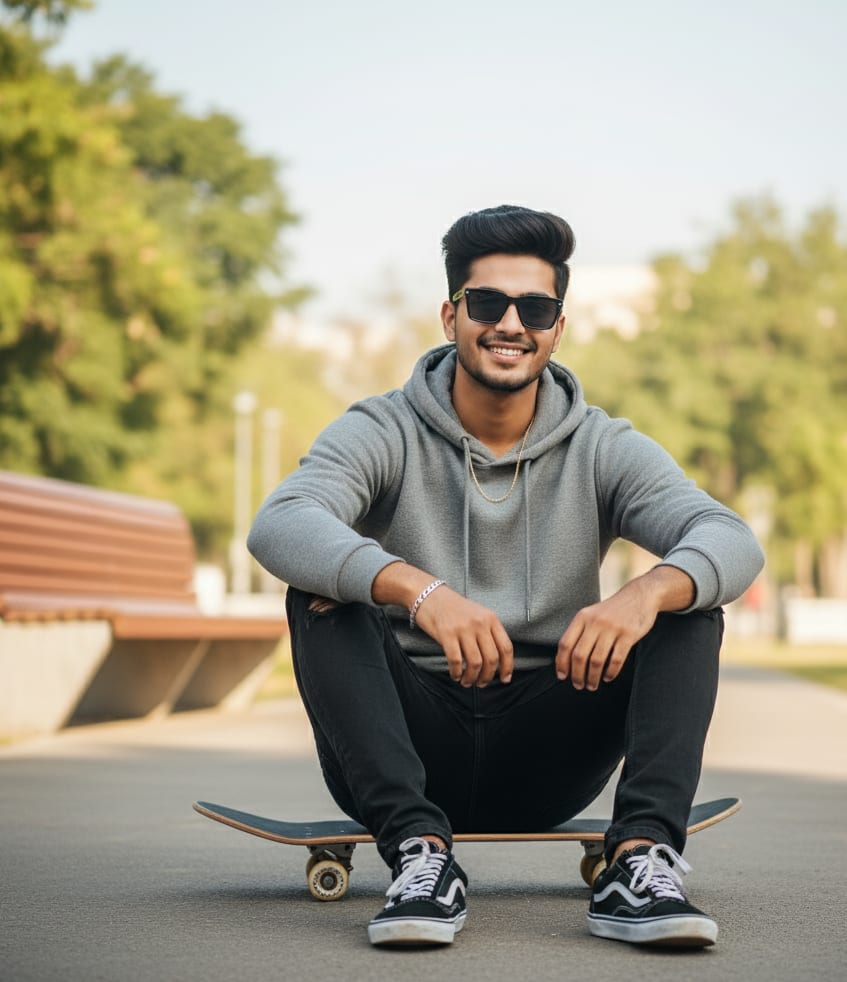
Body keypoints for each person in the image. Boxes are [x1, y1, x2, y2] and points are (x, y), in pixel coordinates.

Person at [247, 204, 764, 949]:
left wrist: (645, 591)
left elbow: (728, 537)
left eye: (535, 307)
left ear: (558, 327)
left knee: (688, 600)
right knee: (324, 594)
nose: (509, 324)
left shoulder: (600, 445)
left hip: (551, 749)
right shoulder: (383, 428)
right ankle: (419, 861)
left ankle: (640, 860)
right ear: (450, 315)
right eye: (487, 303)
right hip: (406, 748)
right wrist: (418, 591)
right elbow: (282, 522)